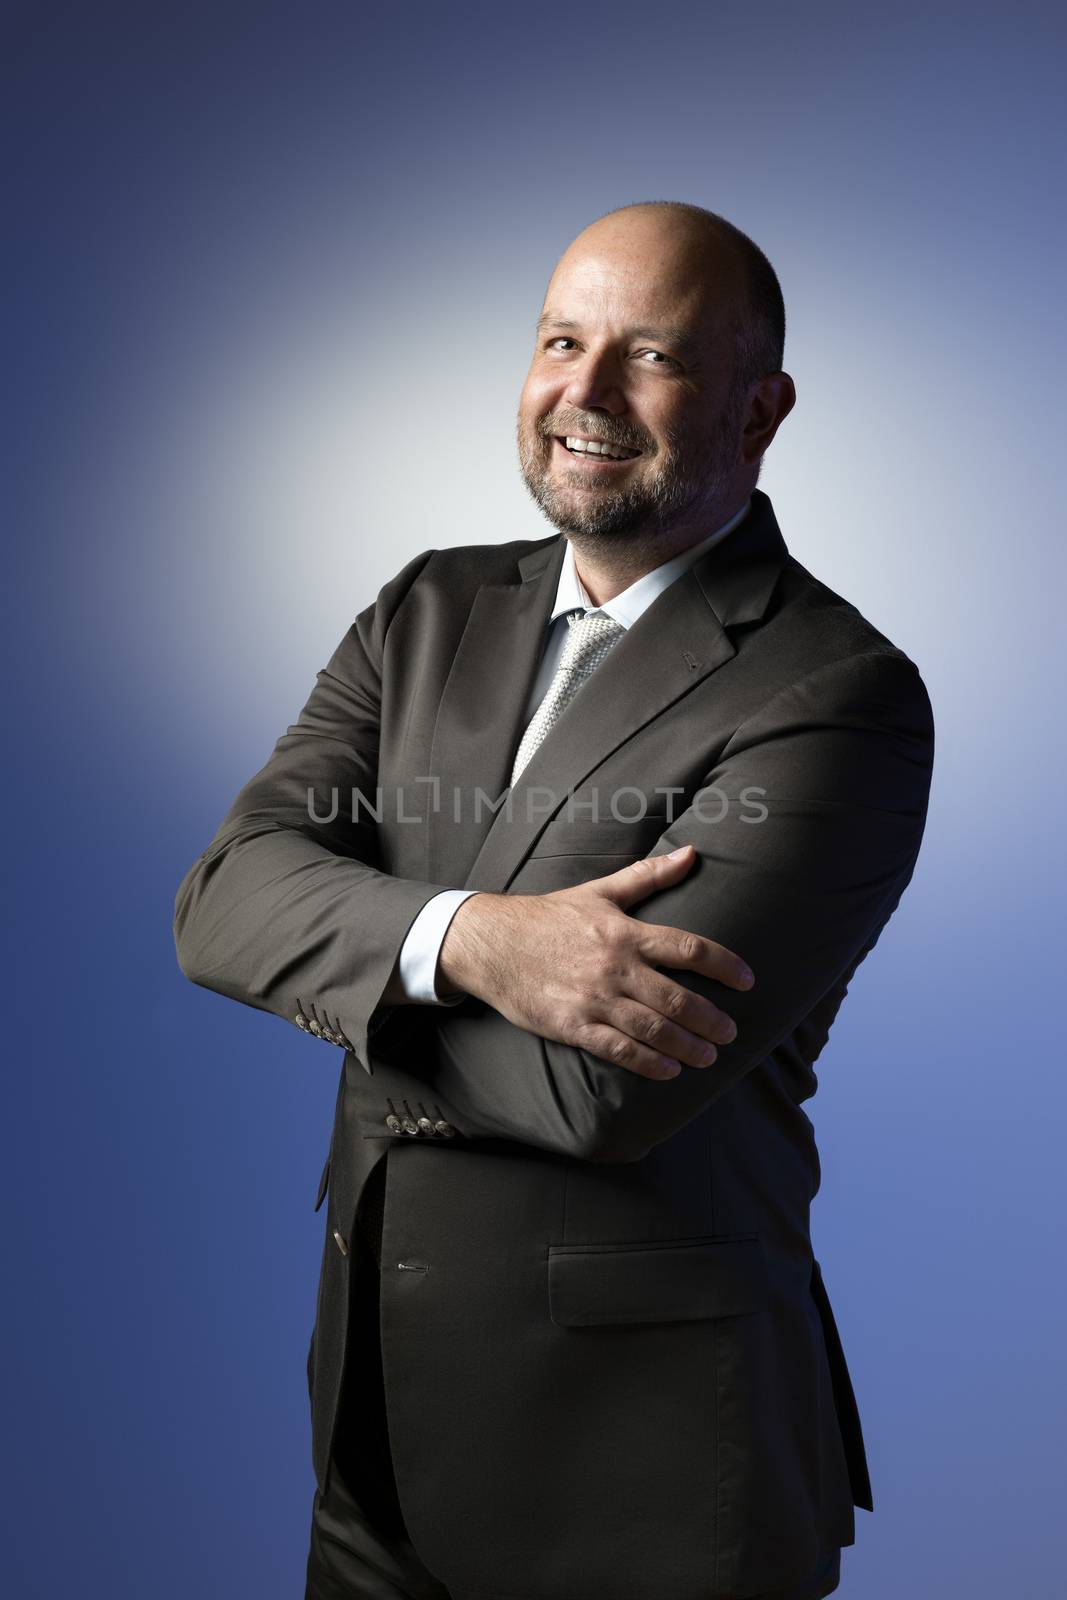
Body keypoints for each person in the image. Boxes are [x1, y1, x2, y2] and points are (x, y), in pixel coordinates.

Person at [174, 200, 934, 1600]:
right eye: (559, 340)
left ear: (759, 410)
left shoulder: (839, 696)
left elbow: (610, 1094)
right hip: (372, 1445)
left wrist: (347, 966)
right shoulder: (427, 612)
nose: (581, 394)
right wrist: (474, 940)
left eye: (649, 357)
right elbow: (223, 900)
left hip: (643, 1484)